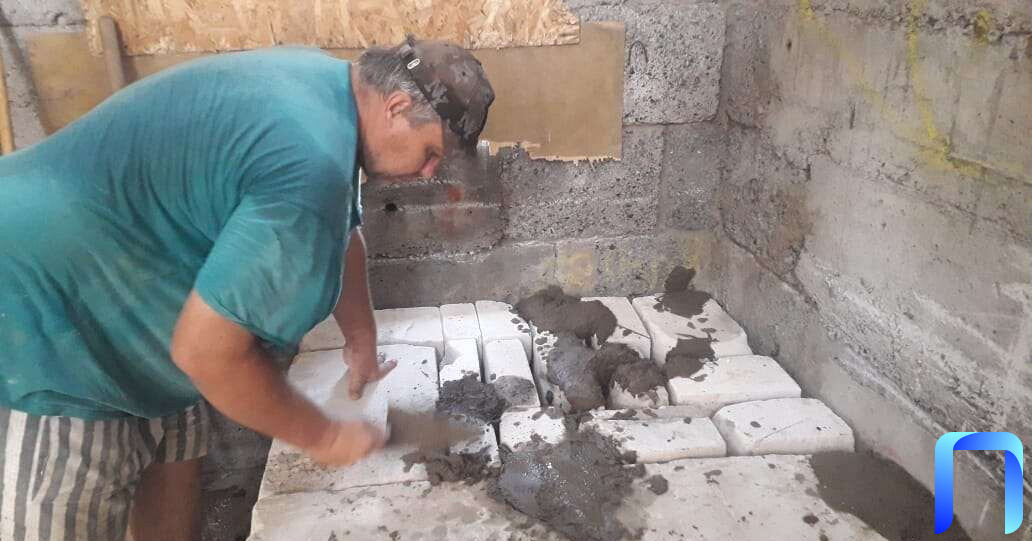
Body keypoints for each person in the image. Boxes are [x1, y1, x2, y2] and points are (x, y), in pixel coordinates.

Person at [0, 36, 494, 541]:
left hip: (142, 288)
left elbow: (341, 228)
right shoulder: (310, 161)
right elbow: (207, 354)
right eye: (431, 153)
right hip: (55, 307)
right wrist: (322, 435)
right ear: (397, 106)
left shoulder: (327, 90)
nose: (429, 173)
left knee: (175, 455)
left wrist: (360, 337)